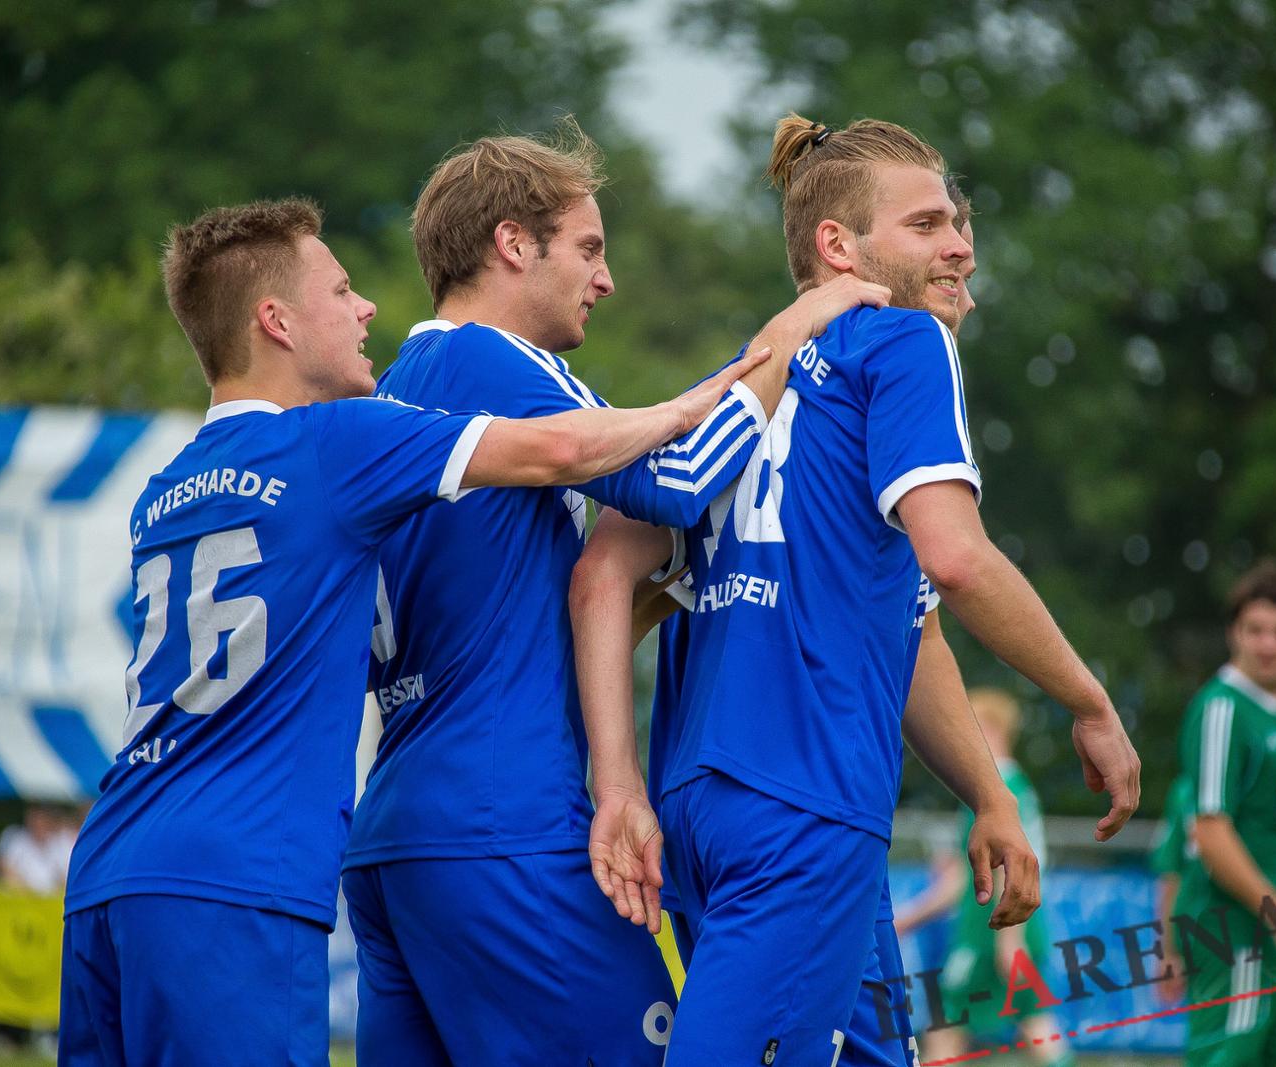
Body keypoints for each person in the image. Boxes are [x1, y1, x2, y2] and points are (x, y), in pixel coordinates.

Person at [58, 196, 765, 1067]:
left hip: (111, 860)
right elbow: (577, 453)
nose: (367, 309)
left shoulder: (162, 494)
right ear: (276, 320)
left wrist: (623, 600)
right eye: (341, 290)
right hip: (246, 869)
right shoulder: (338, 439)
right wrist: (749, 370)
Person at [575, 114, 1138, 1063]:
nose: (960, 245)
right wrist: (1090, 701)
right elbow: (956, 559)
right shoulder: (907, 343)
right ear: (840, 247)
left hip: (708, 802)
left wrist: (990, 795)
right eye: (926, 224)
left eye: (958, 223)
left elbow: (911, 625)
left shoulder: (737, 385)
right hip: (806, 804)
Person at [341, 119, 886, 1067]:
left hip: (394, 838)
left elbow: (501, 624)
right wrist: (794, 329)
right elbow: (680, 476)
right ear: (514, 244)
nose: (606, 279)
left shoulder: (397, 388)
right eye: (589, 249)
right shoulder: (493, 358)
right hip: (502, 822)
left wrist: (663, 586)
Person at [1176, 559, 1276, 1067]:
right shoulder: (1222, 709)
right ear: (1233, 633)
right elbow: (1211, 832)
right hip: (1233, 935)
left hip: (1274, 937)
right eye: (1255, 630)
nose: (1268, 644)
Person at [894, 689, 1075, 1066]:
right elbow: (967, 876)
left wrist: (1010, 940)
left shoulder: (999, 791)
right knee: (1035, 1022)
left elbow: (1010, 864)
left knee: (948, 1025)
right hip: (1007, 928)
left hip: (992, 933)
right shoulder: (1009, 788)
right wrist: (910, 918)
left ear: (990, 731)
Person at [1150, 774, 1197, 1005]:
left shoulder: (1188, 789)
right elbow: (1170, 877)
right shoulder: (1186, 790)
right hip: (1211, 935)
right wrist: (1167, 951)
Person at [0, 805, 70, 894]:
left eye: (43, 818)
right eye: (36, 818)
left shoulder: (59, 843)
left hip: (51, 898)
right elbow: (6, 870)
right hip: (20, 896)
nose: (39, 823)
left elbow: (65, 877)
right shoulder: (15, 838)